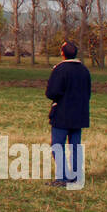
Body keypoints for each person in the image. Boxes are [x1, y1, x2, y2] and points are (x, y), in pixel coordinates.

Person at [45, 40, 91, 187]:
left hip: (62, 115)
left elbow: (52, 92)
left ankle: (62, 178)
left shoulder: (60, 69)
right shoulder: (84, 70)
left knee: (57, 146)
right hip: (79, 115)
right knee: (75, 146)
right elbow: (88, 93)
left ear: (63, 53)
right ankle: (76, 176)